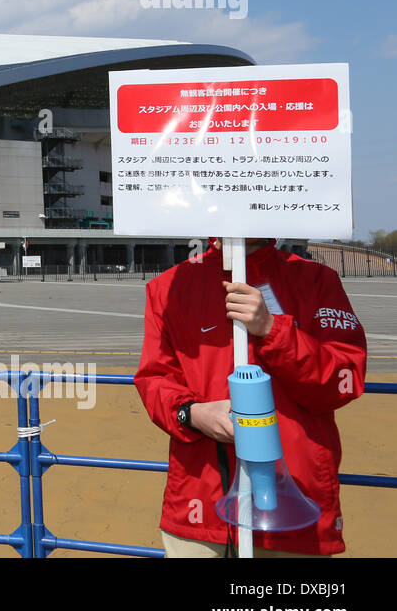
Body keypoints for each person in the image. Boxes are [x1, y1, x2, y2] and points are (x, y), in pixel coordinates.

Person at [134, 237, 367, 557]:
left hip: (295, 505)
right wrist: (191, 413)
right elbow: (154, 379)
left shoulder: (315, 279)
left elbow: (344, 380)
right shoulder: (169, 285)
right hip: (200, 502)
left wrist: (273, 330)